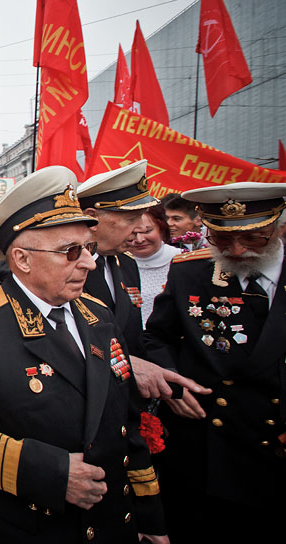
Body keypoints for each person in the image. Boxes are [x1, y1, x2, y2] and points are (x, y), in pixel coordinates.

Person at [0, 166, 168, 544]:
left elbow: (126, 423)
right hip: (29, 526)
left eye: (88, 248)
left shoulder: (98, 316)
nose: (88, 262)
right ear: (22, 259)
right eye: (71, 252)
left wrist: (150, 519)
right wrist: (50, 473)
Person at [144, 183, 286, 543]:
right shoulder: (191, 271)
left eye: (253, 239)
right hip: (206, 446)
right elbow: (156, 338)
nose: (237, 250)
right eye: (222, 238)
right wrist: (171, 385)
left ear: (278, 227)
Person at [77, 161, 208, 402]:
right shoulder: (67, 267)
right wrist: (126, 363)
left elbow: (134, 336)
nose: (139, 230)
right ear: (91, 218)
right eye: (131, 219)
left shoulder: (125, 262)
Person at [124, 208, 179, 327]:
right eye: (133, 233)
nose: (140, 240)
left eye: (147, 231)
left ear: (162, 229)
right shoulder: (117, 264)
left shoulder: (181, 260)